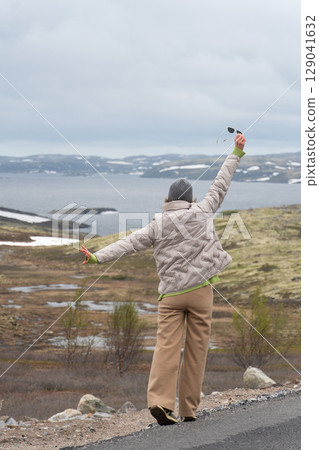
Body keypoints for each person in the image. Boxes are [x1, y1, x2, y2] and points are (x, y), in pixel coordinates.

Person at [79, 133, 246, 425]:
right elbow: (221, 182)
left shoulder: (157, 224)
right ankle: (188, 409)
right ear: (191, 199)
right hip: (200, 292)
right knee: (196, 350)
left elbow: (128, 244)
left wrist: (96, 257)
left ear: (167, 200)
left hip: (170, 296)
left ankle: (160, 403)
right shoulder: (203, 210)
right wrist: (235, 152)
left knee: (166, 347)